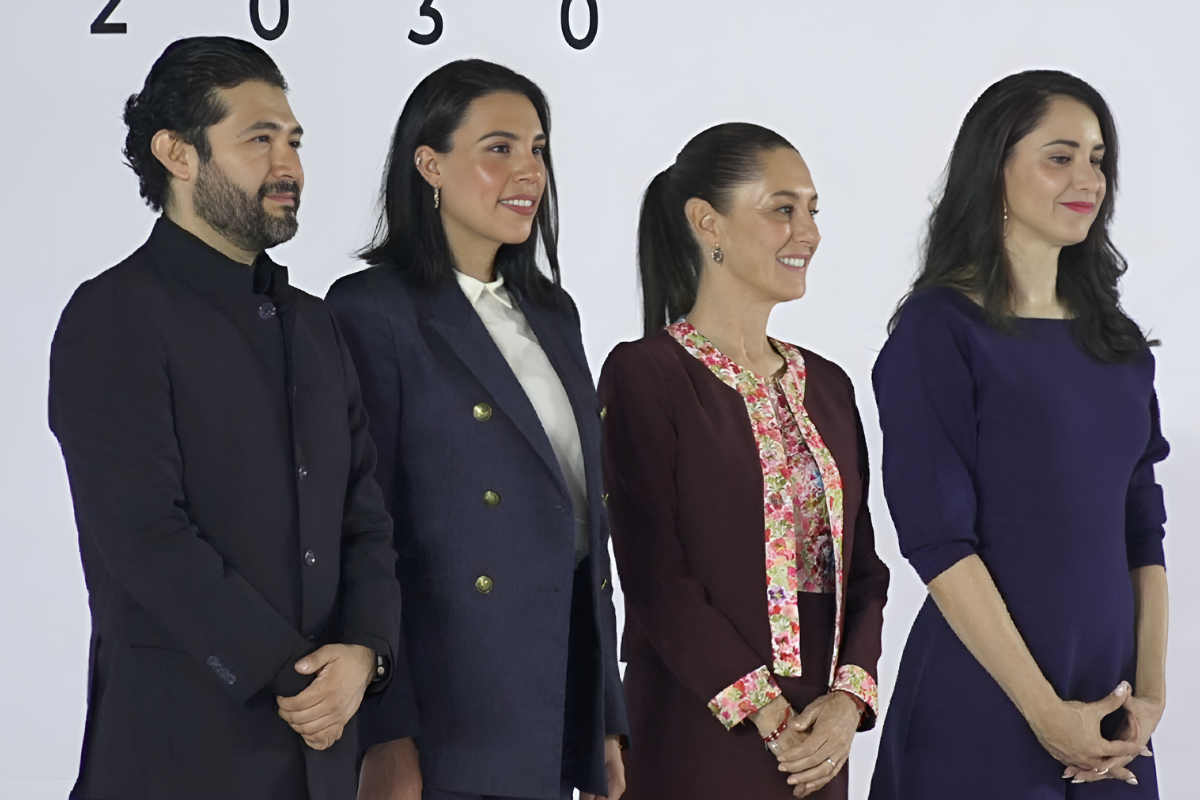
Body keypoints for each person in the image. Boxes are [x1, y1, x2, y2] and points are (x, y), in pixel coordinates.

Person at [48, 37, 407, 800]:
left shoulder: (316, 326)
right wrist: (297, 676)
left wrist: (367, 653)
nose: (288, 166)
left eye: (293, 140)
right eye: (258, 139)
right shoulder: (113, 316)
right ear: (178, 154)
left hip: (322, 760)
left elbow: (365, 518)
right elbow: (145, 535)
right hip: (177, 756)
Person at [324, 59, 628, 800]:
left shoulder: (554, 315)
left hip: (557, 690)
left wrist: (607, 720)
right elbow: (365, 528)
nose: (528, 170)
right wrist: (387, 733)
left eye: (538, 148)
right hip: (450, 707)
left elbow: (588, 532)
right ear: (429, 164)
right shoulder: (373, 310)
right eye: (499, 148)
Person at [868, 70, 1168, 799]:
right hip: (982, 703)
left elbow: (1143, 531)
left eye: (1098, 158)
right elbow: (939, 543)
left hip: (1112, 716)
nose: (1088, 178)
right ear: (994, 166)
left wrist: (1150, 701)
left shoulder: (1116, 343)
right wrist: (1042, 711)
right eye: (1059, 156)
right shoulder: (937, 332)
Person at [597, 123, 890, 799]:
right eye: (782, 208)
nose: (807, 232)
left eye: (813, 210)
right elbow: (652, 575)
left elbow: (865, 566)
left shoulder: (831, 386)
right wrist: (761, 708)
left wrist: (848, 702)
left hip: (819, 736)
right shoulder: (646, 374)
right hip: (697, 724)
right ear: (708, 223)